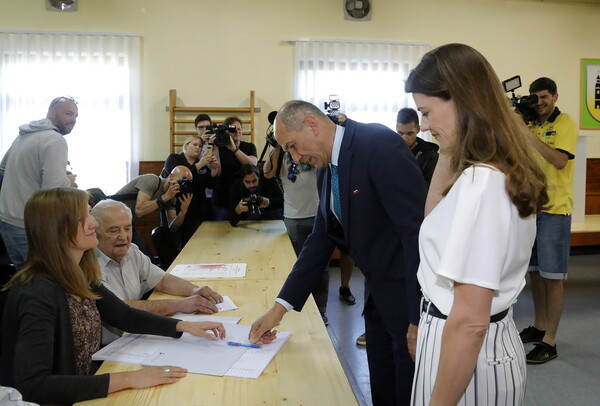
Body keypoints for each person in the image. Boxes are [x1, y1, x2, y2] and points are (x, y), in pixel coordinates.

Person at [249, 100, 426, 406]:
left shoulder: (378, 145)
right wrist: (279, 309)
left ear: (312, 124)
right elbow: (321, 238)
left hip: (407, 299)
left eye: (292, 146)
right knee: (383, 390)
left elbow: (416, 236)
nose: (295, 156)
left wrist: (417, 319)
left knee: (408, 393)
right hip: (377, 300)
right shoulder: (325, 169)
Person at [405, 43, 549, 406]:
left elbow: (470, 321)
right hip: (465, 344)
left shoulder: (482, 182)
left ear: (462, 99)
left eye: (427, 112)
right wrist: (449, 144)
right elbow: (434, 218)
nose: (423, 126)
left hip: (467, 352)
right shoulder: (486, 170)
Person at [0, 188, 226, 405]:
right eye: (84, 216)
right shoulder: (38, 291)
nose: (94, 223)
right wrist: (130, 378)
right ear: (58, 228)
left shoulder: (78, 273)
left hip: (85, 386)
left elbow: (124, 316)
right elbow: (33, 385)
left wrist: (183, 326)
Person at [90, 199, 224, 343]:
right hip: (113, 345)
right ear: (95, 233)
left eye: (127, 229)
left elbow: (162, 280)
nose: (123, 236)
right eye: (114, 230)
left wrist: (195, 290)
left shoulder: (132, 251)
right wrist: (180, 305)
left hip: (140, 334)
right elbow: (122, 310)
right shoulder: (89, 266)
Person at [518, 77, 578, 364]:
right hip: (531, 208)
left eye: (544, 97)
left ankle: (550, 341)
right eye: (535, 98)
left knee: (553, 276)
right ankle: (539, 325)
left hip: (555, 210)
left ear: (555, 96)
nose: (539, 103)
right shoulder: (529, 122)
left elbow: (559, 160)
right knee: (535, 272)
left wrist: (529, 136)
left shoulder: (565, 122)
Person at [0, 96, 78, 270]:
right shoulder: (56, 140)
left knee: (24, 279)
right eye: (68, 113)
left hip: (6, 221)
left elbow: (3, 169)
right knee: (43, 281)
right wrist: (70, 181)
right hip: (29, 225)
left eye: (75, 116)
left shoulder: (24, 135)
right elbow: (53, 189)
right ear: (51, 112)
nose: (73, 120)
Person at [263, 144, 330, 323]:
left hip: (318, 214)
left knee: (321, 268)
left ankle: (320, 309)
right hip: (293, 216)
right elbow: (267, 172)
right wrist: (276, 146)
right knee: (296, 266)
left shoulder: (307, 147)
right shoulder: (279, 153)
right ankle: (295, 308)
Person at [111, 165, 193, 258]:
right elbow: (140, 210)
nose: (183, 184)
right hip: (111, 220)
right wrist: (166, 197)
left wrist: (183, 212)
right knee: (145, 259)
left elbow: (172, 227)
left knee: (147, 261)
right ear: (171, 176)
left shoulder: (172, 195)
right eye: (182, 180)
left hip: (126, 224)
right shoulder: (152, 180)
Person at [161, 135, 218, 245]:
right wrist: (199, 164)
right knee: (175, 242)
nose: (198, 148)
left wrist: (214, 170)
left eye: (200, 146)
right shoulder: (174, 158)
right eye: (195, 144)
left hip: (196, 212)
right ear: (186, 146)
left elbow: (211, 185)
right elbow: (178, 174)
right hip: (176, 209)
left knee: (195, 244)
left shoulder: (202, 166)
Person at [212, 116, 258, 220]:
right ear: (226, 132)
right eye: (233, 129)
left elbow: (252, 164)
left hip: (244, 196)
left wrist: (234, 149)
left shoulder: (249, 147)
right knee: (222, 231)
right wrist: (214, 146)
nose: (237, 132)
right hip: (223, 196)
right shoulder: (220, 148)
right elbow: (217, 171)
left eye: (239, 129)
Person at [396, 107, 439, 188]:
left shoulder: (431, 157)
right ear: (396, 128)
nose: (404, 139)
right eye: (400, 133)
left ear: (418, 129)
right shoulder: (389, 152)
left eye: (410, 134)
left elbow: (431, 189)